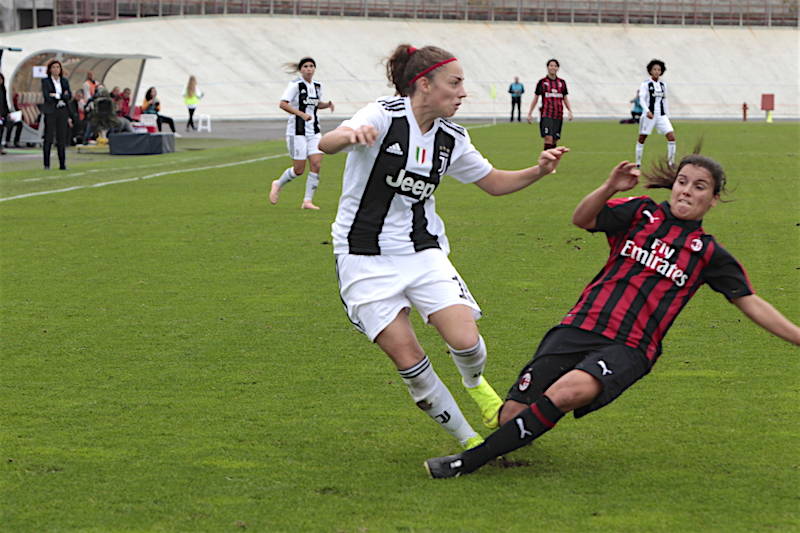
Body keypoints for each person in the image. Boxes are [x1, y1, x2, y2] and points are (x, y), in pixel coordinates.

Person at [424, 153, 800, 478]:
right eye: (683, 182)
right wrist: (609, 187)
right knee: (512, 417)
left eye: (699, 187)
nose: (687, 191)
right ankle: (515, 424)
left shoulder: (707, 253)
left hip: (631, 346)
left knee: (568, 392)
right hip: (580, 325)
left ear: (713, 199)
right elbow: (582, 219)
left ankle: (466, 462)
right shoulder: (642, 212)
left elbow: (750, 301)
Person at [319, 43, 570, 452]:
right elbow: (327, 143)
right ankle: (469, 441)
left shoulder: (452, 138)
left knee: (466, 340)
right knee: (410, 361)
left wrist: (538, 171)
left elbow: (493, 182)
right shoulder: (384, 114)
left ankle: (475, 383)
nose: (462, 92)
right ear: (425, 84)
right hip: (362, 258)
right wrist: (348, 134)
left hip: (422, 252)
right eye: (454, 83)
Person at [270, 57, 335, 210]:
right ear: (301, 69)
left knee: (316, 164)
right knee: (299, 170)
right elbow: (283, 104)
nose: (309, 69)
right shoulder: (295, 85)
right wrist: (301, 114)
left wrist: (327, 104)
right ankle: (278, 183)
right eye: (305, 66)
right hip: (297, 132)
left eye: (311, 66)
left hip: (314, 131)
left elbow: (315, 104)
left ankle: (307, 201)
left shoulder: (318, 86)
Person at [636, 59, 676, 168]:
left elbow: (665, 100)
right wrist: (647, 111)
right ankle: (638, 163)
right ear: (650, 71)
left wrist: (667, 115)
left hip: (661, 116)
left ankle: (671, 163)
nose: (657, 71)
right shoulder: (645, 84)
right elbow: (642, 99)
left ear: (661, 71)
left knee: (671, 137)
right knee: (642, 138)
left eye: (659, 69)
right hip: (649, 115)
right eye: (654, 69)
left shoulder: (663, 85)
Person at [527, 59, 573, 150]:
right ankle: (546, 158)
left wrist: (570, 111)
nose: (553, 68)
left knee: (555, 140)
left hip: (558, 115)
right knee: (548, 138)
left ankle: (551, 159)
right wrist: (530, 113)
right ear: (547, 67)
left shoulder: (562, 82)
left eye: (555, 66)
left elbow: (565, 98)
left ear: (558, 68)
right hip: (546, 115)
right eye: (551, 65)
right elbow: (536, 98)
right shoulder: (542, 82)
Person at [41, 59, 72, 170]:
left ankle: (62, 164)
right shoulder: (46, 81)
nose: (56, 69)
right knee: (49, 137)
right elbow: (47, 96)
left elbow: (69, 96)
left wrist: (57, 95)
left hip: (62, 111)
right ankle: (46, 164)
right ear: (50, 69)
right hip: (51, 111)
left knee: (61, 137)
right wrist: (60, 96)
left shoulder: (64, 81)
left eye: (58, 67)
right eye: (53, 67)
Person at [0, 72, 8, 155]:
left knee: (1, 130)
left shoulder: (3, 89)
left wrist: (7, 112)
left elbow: (5, 102)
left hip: (2, 114)